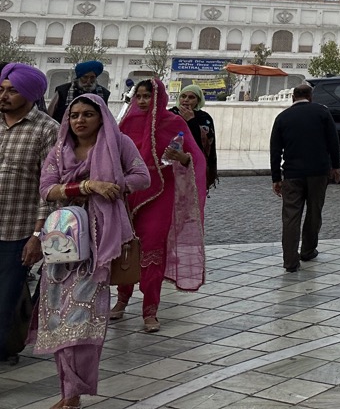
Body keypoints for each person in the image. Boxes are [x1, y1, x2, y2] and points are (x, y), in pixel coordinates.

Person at [35, 92, 150, 409]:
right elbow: (47, 188)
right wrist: (88, 186)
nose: (80, 120)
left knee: (83, 319)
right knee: (58, 317)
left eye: (87, 114)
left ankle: (72, 393)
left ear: (101, 116)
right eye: (74, 116)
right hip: (63, 243)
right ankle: (68, 388)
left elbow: (143, 177)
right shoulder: (60, 151)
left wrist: (113, 183)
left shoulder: (119, 144)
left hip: (99, 247)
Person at [113, 79, 206, 332]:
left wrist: (182, 158)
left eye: (148, 96)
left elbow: (193, 158)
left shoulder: (174, 123)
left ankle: (150, 309)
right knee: (127, 248)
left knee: (152, 249)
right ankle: (122, 299)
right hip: (130, 195)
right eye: (139, 96)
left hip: (160, 195)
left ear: (160, 98)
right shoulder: (125, 124)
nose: (142, 101)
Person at [0, 63, 59, 360]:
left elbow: (48, 188)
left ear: (30, 93)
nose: (4, 96)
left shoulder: (48, 130)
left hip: (17, 232)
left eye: (12, 91)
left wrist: (37, 235)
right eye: (2, 89)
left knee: (5, 299)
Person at [269, 83, 340, 272]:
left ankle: (290, 261)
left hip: (292, 173)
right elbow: (333, 141)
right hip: (318, 172)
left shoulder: (282, 118)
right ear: (311, 97)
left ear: (293, 97)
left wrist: (276, 177)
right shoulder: (322, 113)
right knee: (314, 212)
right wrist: (336, 166)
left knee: (291, 216)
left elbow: (275, 150)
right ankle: (308, 250)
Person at [171, 87, 218, 191]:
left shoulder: (204, 118)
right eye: (183, 96)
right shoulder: (170, 114)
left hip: (195, 164)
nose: (186, 100)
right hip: (172, 164)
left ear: (198, 101)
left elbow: (206, 144)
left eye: (191, 97)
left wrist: (191, 121)